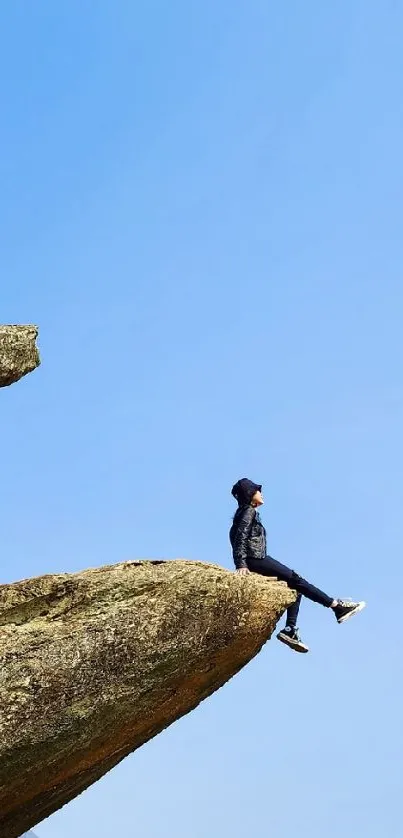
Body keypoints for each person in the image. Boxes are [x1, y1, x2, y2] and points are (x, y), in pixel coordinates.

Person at [229, 477, 366, 653]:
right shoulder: (248, 512)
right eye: (258, 490)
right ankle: (337, 607)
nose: (261, 494)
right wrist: (241, 563)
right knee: (296, 579)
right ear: (250, 494)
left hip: (254, 558)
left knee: (294, 588)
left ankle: (290, 630)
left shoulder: (244, 512)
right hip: (255, 559)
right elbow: (240, 536)